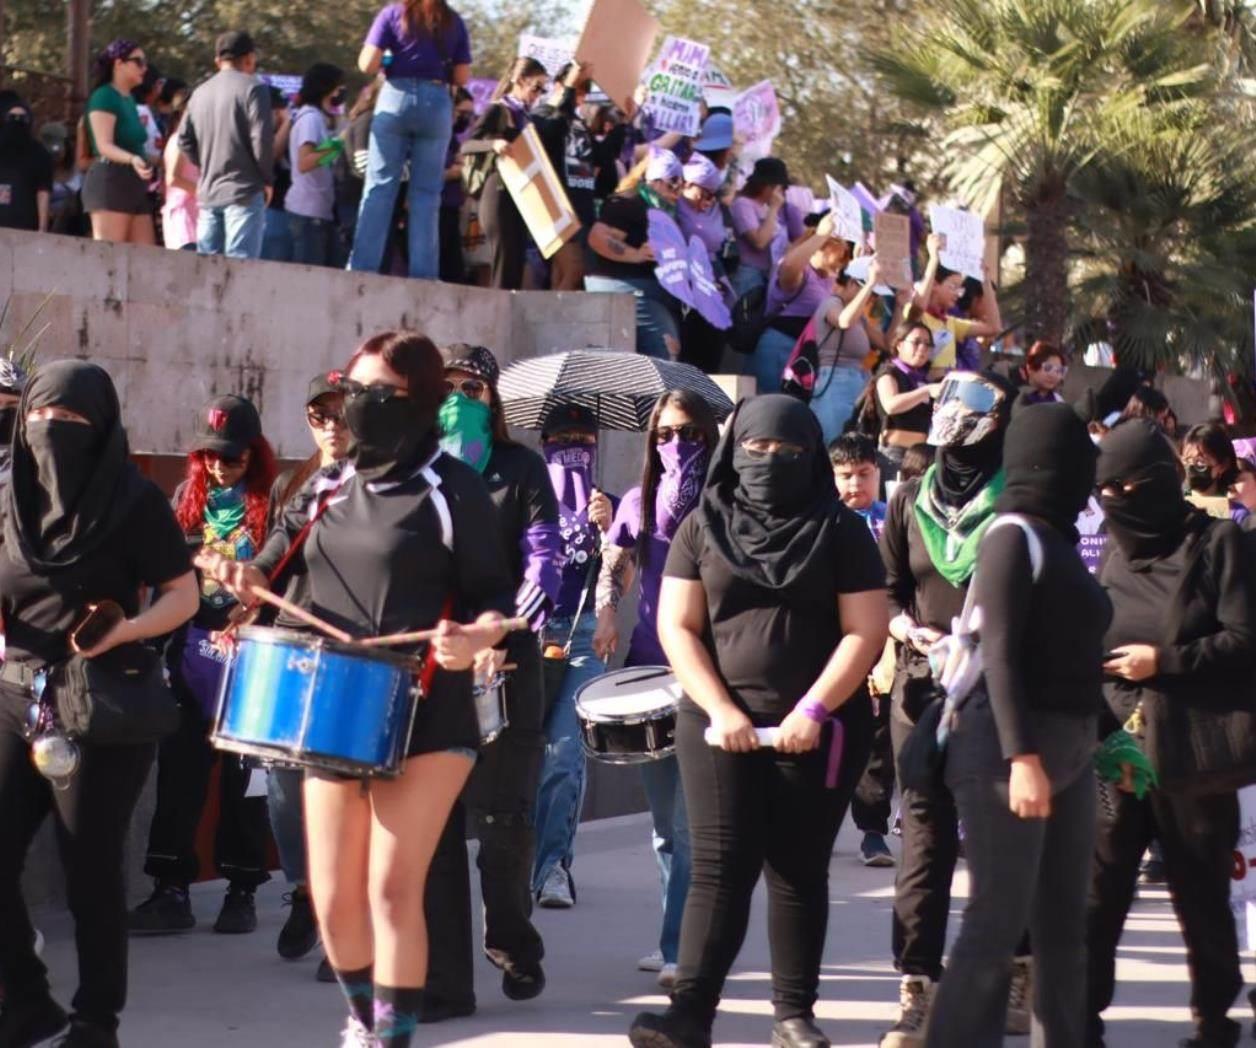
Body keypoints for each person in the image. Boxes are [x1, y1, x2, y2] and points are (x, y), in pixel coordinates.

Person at [201, 330, 515, 1048]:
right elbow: (270, 564)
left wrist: (477, 637)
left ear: (417, 401)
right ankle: (367, 1015)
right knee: (335, 895)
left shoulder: (451, 488)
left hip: (428, 702)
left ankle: (390, 1036)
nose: (357, 406)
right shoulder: (327, 484)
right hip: (331, 702)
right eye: (354, 390)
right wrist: (239, 574)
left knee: (391, 889)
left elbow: (496, 599)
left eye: (376, 394)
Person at [628, 395, 888, 1048]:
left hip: (820, 727)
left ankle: (793, 1015)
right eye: (758, 450)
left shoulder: (841, 530)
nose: (771, 463)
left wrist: (813, 709)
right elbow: (678, 626)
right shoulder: (701, 525)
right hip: (716, 726)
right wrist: (719, 708)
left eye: (789, 452)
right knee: (720, 866)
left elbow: (864, 631)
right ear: (734, 448)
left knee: (798, 869)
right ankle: (688, 1013)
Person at [0, 361, 198, 1048]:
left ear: (103, 426)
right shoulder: (8, 496)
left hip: (101, 699)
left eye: (72, 421)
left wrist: (128, 628)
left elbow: (183, 593)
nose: (52, 432)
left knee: (89, 867)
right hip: (16, 692)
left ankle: (95, 1017)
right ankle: (23, 1004)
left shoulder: (133, 501)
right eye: (40, 418)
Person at [925, 403, 1111, 1046]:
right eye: (1081, 454)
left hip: (1070, 756)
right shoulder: (1011, 536)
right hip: (1006, 756)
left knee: (1063, 927)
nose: (1092, 470)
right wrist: (1023, 759)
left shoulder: (1055, 540)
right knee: (996, 922)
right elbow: (999, 652)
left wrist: (1104, 742)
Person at [1087, 419, 1254, 1048]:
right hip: (1118, 746)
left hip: (1192, 749)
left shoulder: (1219, 545)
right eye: (1105, 492)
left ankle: (1215, 1023)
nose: (1114, 503)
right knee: (1099, 893)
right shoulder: (1109, 547)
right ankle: (1080, 1018)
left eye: (1126, 489)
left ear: (1159, 482)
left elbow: (1245, 639)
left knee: (1200, 895)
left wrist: (1165, 661)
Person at [878, 371, 1033, 1048]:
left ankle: (1017, 977)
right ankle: (917, 987)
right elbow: (885, 592)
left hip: (994, 690)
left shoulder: (1020, 503)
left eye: (971, 407)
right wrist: (906, 629)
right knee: (923, 839)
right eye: (947, 402)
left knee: (998, 840)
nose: (953, 418)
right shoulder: (910, 499)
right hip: (921, 690)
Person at [422, 343, 561, 1020]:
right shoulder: (410, 472)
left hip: (505, 660)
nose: (457, 398)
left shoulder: (520, 469)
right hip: (427, 666)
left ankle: (512, 941)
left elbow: (545, 560)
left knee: (503, 819)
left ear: (493, 399)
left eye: (470, 387)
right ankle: (446, 982)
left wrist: (502, 631)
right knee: (434, 825)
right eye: (444, 386)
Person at [128, 395, 278, 937]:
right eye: (211, 456)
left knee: (244, 780)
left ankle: (241, 890)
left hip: (249, 655)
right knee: (180, 775)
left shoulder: (274, 501)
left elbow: (284, 574)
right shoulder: (185, 497)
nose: (220, 466)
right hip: (189, 650)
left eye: (233, 458)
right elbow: (161, 569)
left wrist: (255, 604)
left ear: (254, 457)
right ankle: (170, 888)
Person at [593, 390, 721, 989]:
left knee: (691, 823)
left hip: (709, 672)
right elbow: (614, 560)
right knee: (666, 827)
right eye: (666, 435)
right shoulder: (640, 502)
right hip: (649, 669)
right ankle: (680, 938)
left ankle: (682, 948)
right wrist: (606, 611)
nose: (677, 446)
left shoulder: (726, 503)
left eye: (691, 435)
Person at [262, 373, 352, 979]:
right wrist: (246, 589)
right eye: (319, 415)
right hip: (288, 641)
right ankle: (304, 889)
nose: (330, 426)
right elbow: (276, 544)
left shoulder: (376, 485)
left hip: (349, 645)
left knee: (339, 780)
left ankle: (339, 915)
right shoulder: (293, 483)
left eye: (341, 415)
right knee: (280, 779)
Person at [531, 403, 616, 908]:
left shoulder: (609, 503)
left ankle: (553, 867)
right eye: (564, 440)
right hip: (532, 634)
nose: (575, 449)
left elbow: (622, 577)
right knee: (525, 754)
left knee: (564, 753)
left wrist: (608, 533)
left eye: (585, 440)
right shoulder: (528, 496)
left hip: (583, 637)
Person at [349, 0, 472, 280]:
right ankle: (424, 274)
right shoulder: (453, 20)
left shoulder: (393, 13)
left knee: (380, 187)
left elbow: (367, 63)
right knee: (427, 194)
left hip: (395, 96)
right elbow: (462, 76)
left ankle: (362, 267)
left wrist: (392, 59)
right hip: (437, 103)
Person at [830, 433, 897, 867]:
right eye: (846, 476)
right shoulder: (823, 522)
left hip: (885, 645)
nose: (855, 484)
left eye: (864, 474)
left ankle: (873, 830)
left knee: (879, 742)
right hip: (833, 646)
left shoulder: (892, 521)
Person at [179, 30, 274, 260]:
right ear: (250, 58)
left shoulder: (199, 93)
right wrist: (266, 179)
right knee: (240, 270)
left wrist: (208, 162)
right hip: (244, 191)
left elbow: (184, 139)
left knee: (205, 273)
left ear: (217, 60)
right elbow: (260, 139)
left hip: (209, 193)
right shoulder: (254, 88)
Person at [585, 150, 685, 360]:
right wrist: (636, 254)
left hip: (648, 292)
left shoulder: (663, 210)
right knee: (665, 351)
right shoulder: (629, 204)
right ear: (654, 182)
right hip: (627, 291)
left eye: (682, 183)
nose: (677, 189)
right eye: (672, 182)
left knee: (670, 349)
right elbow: (598, 237)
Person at [459, 58, 548, 290]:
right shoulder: (498, 109)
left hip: (520, 193)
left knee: (518, 258)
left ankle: (508, 313)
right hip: (497, 189)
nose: (538, 94)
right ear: (519, 81)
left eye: (543, 89)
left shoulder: (526, 117)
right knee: (504, 256)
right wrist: (494, 144)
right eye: (535, 87)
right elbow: (467, 145)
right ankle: (497, 315)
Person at [752, 211, 852, 398]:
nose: (839, 267)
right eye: (839, 252)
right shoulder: (801, 271)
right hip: (779, 347)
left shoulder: (827, 280)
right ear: (822, 247)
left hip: (803, 353)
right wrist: (821, 235)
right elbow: (789, 266)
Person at [82, 40, 158, 244]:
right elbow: (103, 145)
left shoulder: (129, 99)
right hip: (110, 181)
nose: (145, 68)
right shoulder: (104, 96)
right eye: (138, 61)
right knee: (109, 260)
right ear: (118, 64)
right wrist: (133, 159)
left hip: (134, 183)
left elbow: (133, 144)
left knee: (146, 259)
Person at [806, 256, 889, 443]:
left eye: (875, 295)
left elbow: (887, 343)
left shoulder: (858, 316)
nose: (871, 299)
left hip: (856, 380)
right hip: (834, 382)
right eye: (870, 294)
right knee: (836, 442)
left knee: (854, 444)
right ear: (852, 283)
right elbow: (843, 321)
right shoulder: (832, 303)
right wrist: (871, 283)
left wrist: (900, 306)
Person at [532, 61, 597, 292]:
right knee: (573, 270)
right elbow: (553, 128)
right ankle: (554, 322)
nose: (581, 97)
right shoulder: (543, 115)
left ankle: (555, 321)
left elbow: (599, 159)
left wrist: (624, 124)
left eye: (584, 92)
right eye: (578, 90)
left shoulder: (579, 122)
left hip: (582, 207)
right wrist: (570, 86)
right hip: (560, 207)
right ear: (560, 85)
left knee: (565, 275)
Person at [907, 232, 1002, 373]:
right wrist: (934, 259)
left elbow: (994, 328)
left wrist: (985, 281)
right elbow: (919, 307)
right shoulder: (915, 314)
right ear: (934, 284)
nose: (957, 294)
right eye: (953, 287)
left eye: (960, 289)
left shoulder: (950, 323)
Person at [676, 152, 735, 374]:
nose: (708, 202)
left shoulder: (716, 211)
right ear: (688, 184)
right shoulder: (673, 208)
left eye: (713, 196)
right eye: (704, 194)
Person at [285, 63, 347, 267]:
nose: (339, 93)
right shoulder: (310, 118)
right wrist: (338, 144)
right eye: (337, 87)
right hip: (308, 214)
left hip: (319, 211)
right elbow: (306, 162)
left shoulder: (317, 118)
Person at [875, 321, 940, 472]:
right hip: (893, 453)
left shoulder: (923, 378)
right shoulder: (889, 372)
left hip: (921, 455)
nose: (922, 348)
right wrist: (926, 391)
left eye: (927, 344)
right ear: (899, 344)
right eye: (916, 342)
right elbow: (891, 405)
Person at [729, 157, 791, 298]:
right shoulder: (743, 204)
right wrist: (774, 208)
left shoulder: (764, 207)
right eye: (780, 188)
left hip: (766, 273)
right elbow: (759, 242)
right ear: (768, 186)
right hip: (749, 273)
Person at [0, 92, 53, 233]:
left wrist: (42, 228)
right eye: (12, 118)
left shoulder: (39, 153)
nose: (17, 122)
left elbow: (43, 192)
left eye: (22, 118)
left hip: (25, 227)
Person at [438, 88, 475, 284]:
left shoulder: (451, 138)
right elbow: (437, 172)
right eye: (462, 113)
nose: (465, 119)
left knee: (455, 273)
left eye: (470, 114)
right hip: (437, 209)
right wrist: (458, 169)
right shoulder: (437, 136)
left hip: (452, 208)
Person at [1181, 422, 1250, 525]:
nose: (1190, 468)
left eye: (1200, 462)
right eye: (1186, 461)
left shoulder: (1236, 515)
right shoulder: (1179, 503)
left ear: (1223, 465)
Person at [161, 91, 199, 250]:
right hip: (183, 218)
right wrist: (204, 192)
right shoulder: (179, 140)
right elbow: (173, 178)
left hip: (193, 217)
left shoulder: (187, 140)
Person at [1018, 341, 1068, 405]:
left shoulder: (1058, 401)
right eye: (1048, 368)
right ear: (1030, 368)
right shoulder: (1018, 396)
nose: (1053, 375)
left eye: (1059, 370)